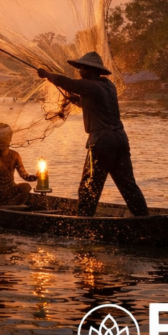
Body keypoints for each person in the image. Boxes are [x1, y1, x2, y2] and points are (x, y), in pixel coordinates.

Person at [37, 51, 148, 217]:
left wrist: (47, 75)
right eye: (80, 67)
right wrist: (75, 100)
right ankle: (145, 219)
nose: (80, 70)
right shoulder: (108, 85)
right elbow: (91, 102)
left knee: (89, 185)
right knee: (128, 185)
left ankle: (83, 224)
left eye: (84, 68)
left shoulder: (89, 85)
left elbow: (67, 83)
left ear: (94, 70)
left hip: (103, 141)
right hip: (120, 139)